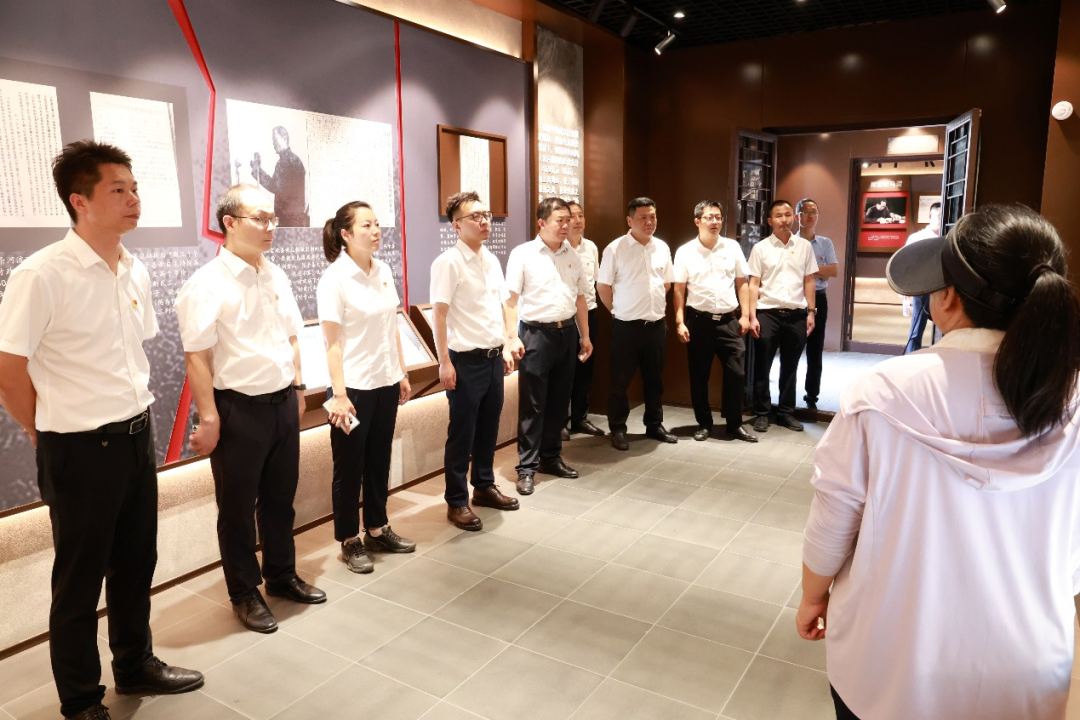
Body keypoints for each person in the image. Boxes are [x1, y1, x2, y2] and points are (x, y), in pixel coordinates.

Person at [798, 204, 1080, 720]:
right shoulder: (1072, 399)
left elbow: (833, 518)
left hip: (891, 664)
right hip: (1029, 673)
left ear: (947, 297)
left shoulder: (882, 391)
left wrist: (813, 597)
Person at [0, 141, 202, 720]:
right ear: (80, 201)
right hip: (79, 447)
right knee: (79, 579)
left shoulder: (133, 267)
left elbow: (131, 352)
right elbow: (9, 370)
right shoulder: (41, 274)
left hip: (136, 434)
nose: (134, 199)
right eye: (118, 189)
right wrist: (39, 428)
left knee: (136, 562)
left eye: (135, 188)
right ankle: (82, 699)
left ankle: (134, 663)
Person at [176, 184, 326, 635]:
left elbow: (293, 335)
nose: (270, 227)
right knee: (237, 510)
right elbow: (197, 356)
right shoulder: (206, 284)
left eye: (272, 218)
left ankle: (281, 574)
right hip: (238, 409)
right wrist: (210, 417)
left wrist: (298, 388)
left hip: (282, 401)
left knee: (280, 500)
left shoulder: (274, 274)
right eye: (260, 218)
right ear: (229, 222)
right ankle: (243, 592)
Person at [318, 201, 416, 574]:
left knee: (379, 459)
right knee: (349, 467)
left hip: (385, 382)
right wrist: (339, 395)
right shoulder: (334, 279)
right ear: (345, 234)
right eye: (366, 225)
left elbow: (392, 326)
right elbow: (331, 343)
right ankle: (348, 539)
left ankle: (377, 527)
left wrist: (401, 372)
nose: (376, 231)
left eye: (377, 224)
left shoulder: (383, 270)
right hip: (353, 390)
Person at [430, 191, 521, 530]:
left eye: (486, 215)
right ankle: (456, 501)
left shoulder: (491, 259)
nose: (484, 222)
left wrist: (507, 344)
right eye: (475, 217)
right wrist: (444, 362)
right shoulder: (448, 262)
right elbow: (439, 315)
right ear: (456, 225)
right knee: (462, 433)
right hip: (464, 360)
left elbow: (503, 305)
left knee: (488, 427)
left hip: (493, 358)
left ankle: (483, 485)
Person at [504, 197, 593, 495]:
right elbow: (510, 300)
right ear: (541, 222)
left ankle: (551, 457)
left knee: (559, 401)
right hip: (535, 334)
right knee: (533, 404)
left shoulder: (573, 254)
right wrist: (512, 337)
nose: (567, 225)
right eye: (560, 220)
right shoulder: (523, 254)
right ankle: (527, 467)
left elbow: (580, 298)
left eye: (569, 219)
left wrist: (585, 336)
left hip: (566, 333)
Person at [673, 201, 757, 443]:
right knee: (699, 375)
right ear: (697, 221)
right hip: (699, 321)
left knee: (737, 373)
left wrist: (745, 315)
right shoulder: (685, 251)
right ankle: (704, 423)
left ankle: (734, 424)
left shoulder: (732, 247)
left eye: (718, 217)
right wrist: (679, 322)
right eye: (709, 217)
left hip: (729, 321)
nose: (715, 222)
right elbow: (678, 289)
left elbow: (742, 283)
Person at [597, 197, 677, 451]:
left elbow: (666, 283)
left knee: (655, 380)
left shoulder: (662, 247)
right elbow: (603, 286)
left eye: (653, 216)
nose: (649, 222)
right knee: (620, 382)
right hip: (626, 327)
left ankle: (654, 424)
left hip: (656, 325)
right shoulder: (615, 249)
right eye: (643, 217)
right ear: (629, 221)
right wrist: (617, 310)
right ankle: (618, 428)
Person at [747, 199, 818, 433]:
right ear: (770, 220)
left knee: (791, 366)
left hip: (797, 314)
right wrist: (752, 316)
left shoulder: (804, 246)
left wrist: (811, 312)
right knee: (762, 365)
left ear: (793, 217)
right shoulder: (760, 248)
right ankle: (762, 413)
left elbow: (809, 280)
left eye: (788, 215)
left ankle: (786, 412)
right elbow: (753, 283)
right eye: (779, 215)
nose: (784, 219)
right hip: (767, 313)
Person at [566, 201, 604, 437]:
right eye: (572, 216)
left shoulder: (591, 247)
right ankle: (560, 421)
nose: (578, 221)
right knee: (564, 371)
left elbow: (594, 282)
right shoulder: (559, 248)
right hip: (565, 317)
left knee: (585, 369)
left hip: (589, 313)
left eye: (581, 215)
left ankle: (580, 417)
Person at [796, 198, 838, 410]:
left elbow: (834, 271)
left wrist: (808, 269)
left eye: (814, 212)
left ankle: (812, 396)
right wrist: (821, 270)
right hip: (795, 298)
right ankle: (786, 397)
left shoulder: (825, 243)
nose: (811, 215)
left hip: (819, 298)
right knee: (792, 349)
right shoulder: (791, 242)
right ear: (798, 216)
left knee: (815, 349)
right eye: (806, 211)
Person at [903, 201, 941, 354]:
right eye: (939, 216)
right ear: (930, 216)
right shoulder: (917, 237)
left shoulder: (947, 236)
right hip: (923, 287)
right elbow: (905, 263)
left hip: (943, 286)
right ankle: (910, 354)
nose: (941, 219)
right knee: (918, 324)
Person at [251, 126, 308, 227]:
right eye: (272, 140)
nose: (273, 143)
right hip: (295, 219)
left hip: (287, 221)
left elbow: (275, 187)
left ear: (284, 138)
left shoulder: (285, 161)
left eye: (274, 139)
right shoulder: (294, 159)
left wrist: (258, 171)